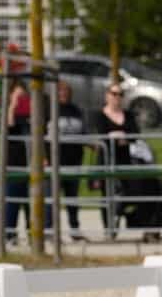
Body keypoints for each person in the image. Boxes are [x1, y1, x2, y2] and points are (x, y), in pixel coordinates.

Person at [93, 82, 139, 238]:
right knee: (107, 194)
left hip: (124, 160)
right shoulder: (100, 115)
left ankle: (117, 216)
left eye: (120, 94)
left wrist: (121, 137)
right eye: (114, 93)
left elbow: (134, 135)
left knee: (128, 192)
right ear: (107, 95)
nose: (117, 97)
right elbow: (103, 136)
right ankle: (109, 229)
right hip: (106, 160)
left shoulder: (129, 115)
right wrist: (120, 136)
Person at [54, 79, 87, 238]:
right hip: (55, 162)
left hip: (74, 161)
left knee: (72, 199)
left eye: (66, 91)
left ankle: (75, 229)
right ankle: (50, 231)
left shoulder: (76, 111)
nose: (63, 94)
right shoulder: (51, 110)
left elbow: (83, 132)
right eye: (60, 91)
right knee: (53, 199)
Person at [1, 81, 32, 242]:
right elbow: (8, 126)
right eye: (18, 96)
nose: (21, 100)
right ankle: (10, 234)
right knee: (12, 202)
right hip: (14, 165)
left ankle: (32, 234)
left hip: (30, 165)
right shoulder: (9, 114)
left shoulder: (29, 118)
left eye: (23, 97)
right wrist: (12, 107)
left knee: (30, 204)